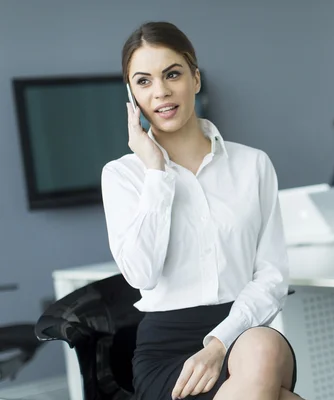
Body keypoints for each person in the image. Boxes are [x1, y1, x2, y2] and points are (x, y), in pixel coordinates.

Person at [101, 22, 301, 400]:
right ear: (132, 96)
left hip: (243, 333)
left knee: (262, 346)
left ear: (195, 78)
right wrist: (156, 173)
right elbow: (141, 273)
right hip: (166, 351)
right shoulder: (122, 175)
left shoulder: (253, 164)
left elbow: (272, 276)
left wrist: (218, 344)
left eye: (172, 74)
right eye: (143, 82)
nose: (160, 92)